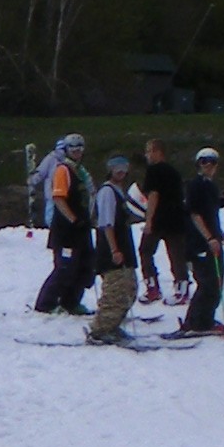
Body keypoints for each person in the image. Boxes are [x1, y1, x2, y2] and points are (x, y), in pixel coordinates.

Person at [139, 138, 221, 332]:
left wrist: (149, 220)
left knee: (145, 250)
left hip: (160, 218)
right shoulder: (174, 172)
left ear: (158, 152)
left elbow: (153, 195)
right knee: (176, 253)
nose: (147, 155)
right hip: (177, 219)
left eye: (149, 151)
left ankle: (152, 287)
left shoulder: (154, 171)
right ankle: (181, 287)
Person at [31, 133, 94, 313]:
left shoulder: (80, 170)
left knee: (84, 266)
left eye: (80, 148)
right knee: (65, 268)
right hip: (67, 231)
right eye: (73, 148)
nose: (77, 151)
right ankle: (45, 303)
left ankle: (71, 301)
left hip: (82, 229)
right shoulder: (63, 170)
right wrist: (73, 219)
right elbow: (58, 198)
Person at [86, 154, 141, 343]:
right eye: (117, 167)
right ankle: (100, 330)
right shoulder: (107, 192)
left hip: (125, 249)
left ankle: (114, 326)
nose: (121, 171)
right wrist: (114, 250)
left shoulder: (120, 191)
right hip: (113, 251)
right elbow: (106, 224)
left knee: (129, 289)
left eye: (124, 166)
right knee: (115, 292)